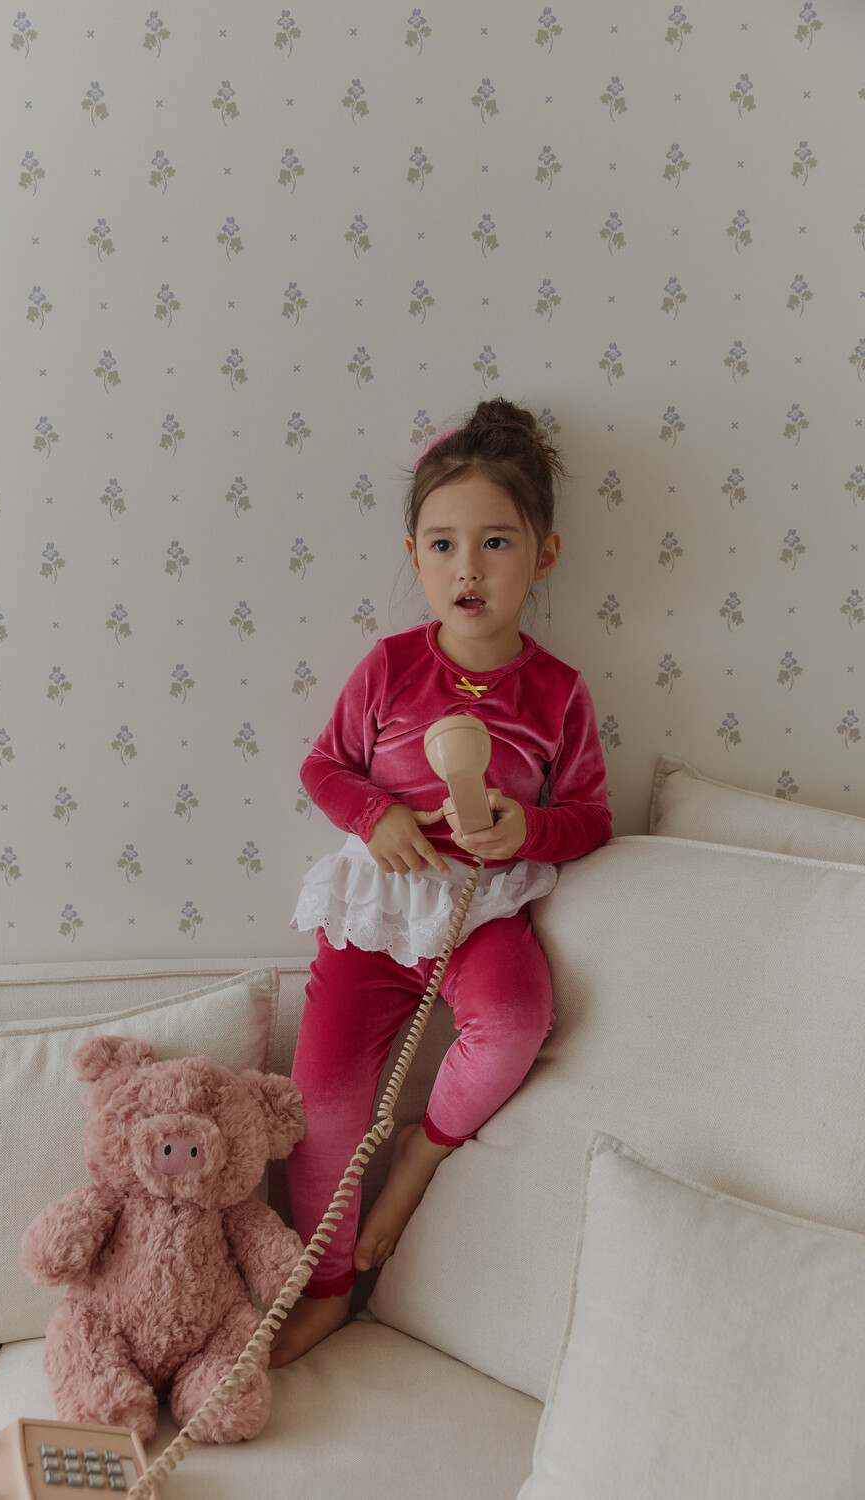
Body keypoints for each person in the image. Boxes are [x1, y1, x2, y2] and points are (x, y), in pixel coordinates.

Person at [269, 398, 612, 1367]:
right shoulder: (388, 668)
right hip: (378, 914)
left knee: (516, 1019)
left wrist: (525, 830)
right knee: (322, 1099)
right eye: (444, 545)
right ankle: (324, 1285)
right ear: (415, 558)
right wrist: (373, 816)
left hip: (482, 912)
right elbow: (323, 767)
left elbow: (590, 816)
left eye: (496, 543)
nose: (469, 569)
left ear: (543, 556)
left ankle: (424, 1150)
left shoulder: (558, 693)